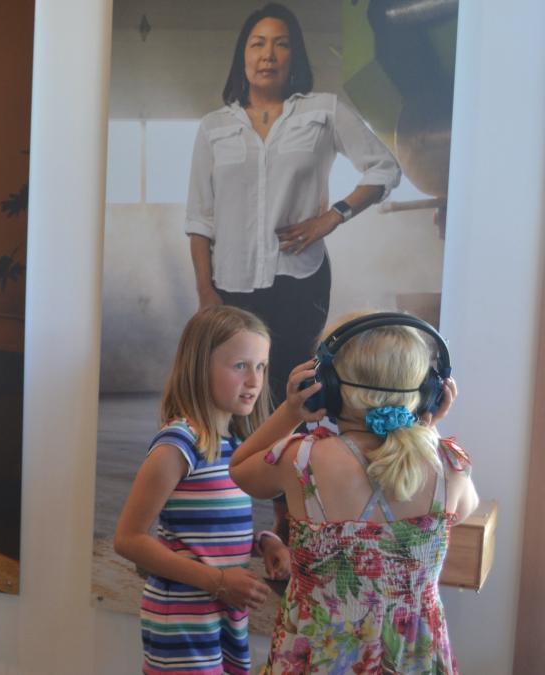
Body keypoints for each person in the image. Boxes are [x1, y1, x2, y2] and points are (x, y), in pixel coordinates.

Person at [228, 313, 477, 673]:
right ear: (428, 393)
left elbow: (240, 468)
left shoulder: (301, 460)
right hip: (411, 659)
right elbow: (462, 512)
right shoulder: (450, 467)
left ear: (325, 386)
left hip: (320, 657)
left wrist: (289, 412)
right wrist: (426, 429)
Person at [185, 2, 401, 408]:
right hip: (231, 282)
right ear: (243, 55)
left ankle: (288, 468)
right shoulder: (214, 127)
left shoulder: (323, 111)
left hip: (300, 278)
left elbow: (384, 168)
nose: (268, 54)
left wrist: (332, 217)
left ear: (295, 56)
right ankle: (239, 469)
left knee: (294, 389)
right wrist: (204, 290)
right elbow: (200, 217)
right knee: (236, 395)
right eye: (257, 44)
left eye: (281, 44)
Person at [114, 306, 291, 675]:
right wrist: (219, 581)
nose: (254, 380)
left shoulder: (235, 446)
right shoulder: (178, 443)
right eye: (240, 365)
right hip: (182, 620)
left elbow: (209, 525)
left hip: (223, 612)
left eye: (261, 367)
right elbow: (129, 540)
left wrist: (265, 541)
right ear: (199, 366)